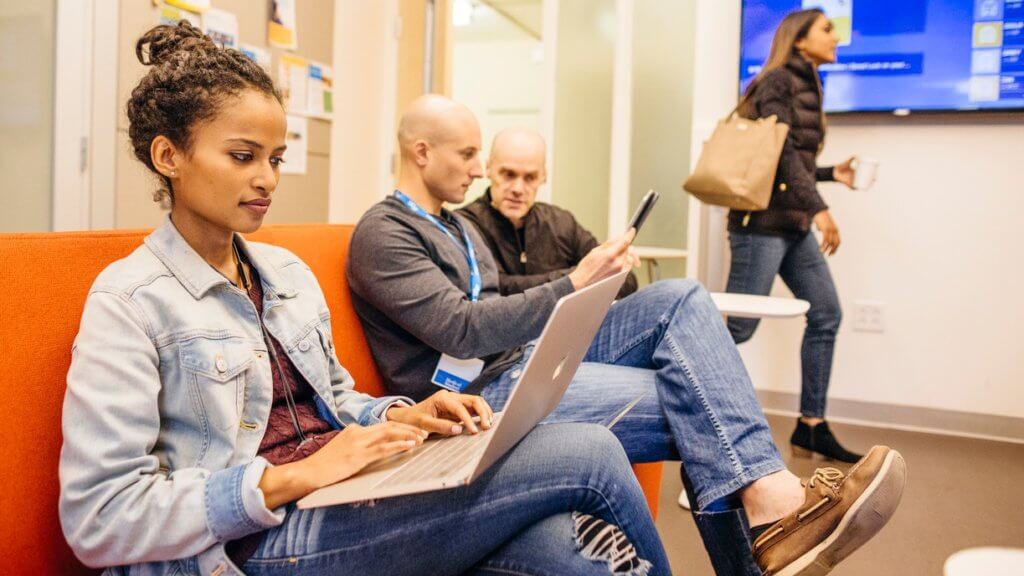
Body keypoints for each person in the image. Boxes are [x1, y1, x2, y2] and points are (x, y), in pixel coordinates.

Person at [58, 22, 672, 576]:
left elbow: (337, 398)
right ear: (169, 156)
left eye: (275, 158)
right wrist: (296, 476)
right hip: (258, 540)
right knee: (589, 451)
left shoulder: (285, 272)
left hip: (349, 491)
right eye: (243, 157)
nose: (267, 177)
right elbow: (100, 518)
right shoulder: (129, 303)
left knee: (571, 551)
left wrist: (404, 417)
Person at [347, 93, 907, 575]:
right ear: (422, 152)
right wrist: (574, 282)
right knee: (703, 397)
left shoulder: (451, 224)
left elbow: (492, 306)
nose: (478, 171)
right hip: (478, 399)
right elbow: (462, 329)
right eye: (470, 155)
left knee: (682, 297)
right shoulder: (383, 231)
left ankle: (773, 516)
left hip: (519, 359)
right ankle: (773, 522)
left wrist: (584, 290)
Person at [728, 8, 864, 463]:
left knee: (826, 313)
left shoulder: (808, 82)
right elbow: (778, 154)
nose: (836, 37)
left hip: (791, 223)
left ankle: (811, 426)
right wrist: (821, 209)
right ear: (800, 39)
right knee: (738, 328)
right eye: (828, 29)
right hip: (761, 225)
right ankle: (688, 411)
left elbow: (793, 164)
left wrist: (829, 174)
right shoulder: (778, 81)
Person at [458, 127, 638, 299]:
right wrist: (582, 274)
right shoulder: (464, 225)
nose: (518, 189)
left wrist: (612, 264)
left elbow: (626, 282)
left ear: (543, 176)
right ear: (488, 168)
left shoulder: (561, 222)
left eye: (530, 177)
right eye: (508, 174)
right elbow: (496, 288)